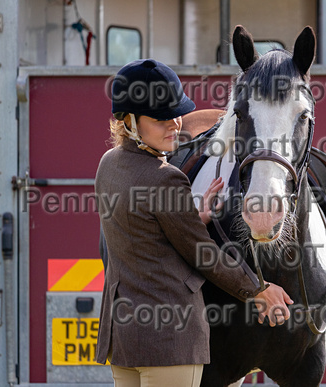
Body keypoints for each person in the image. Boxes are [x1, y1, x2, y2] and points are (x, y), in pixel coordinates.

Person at [95, 59, 293, 386]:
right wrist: (258, 290)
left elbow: (142, 234)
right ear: (129, 121)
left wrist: (189, 217)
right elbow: (204, 255)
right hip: (170, 343)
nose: (175, 124)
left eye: (177, 112)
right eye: (161, 119)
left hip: (124, 339)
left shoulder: (108, 165)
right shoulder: (166, 179)